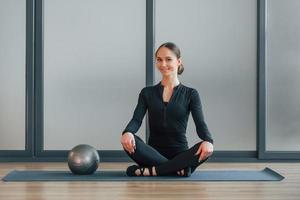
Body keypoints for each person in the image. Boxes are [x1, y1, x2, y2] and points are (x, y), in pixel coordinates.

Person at [120, 42, 214, 177]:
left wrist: (208, 141)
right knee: (129, 139)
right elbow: (136, 120)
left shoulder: (191, 94)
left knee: (205, 147)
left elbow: (201, 124)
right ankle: (178, 168)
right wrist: (128, 132)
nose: (163, 64)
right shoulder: (147, 93)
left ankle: (153, 170)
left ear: (179, 61)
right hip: (151, 153)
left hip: (181, 153)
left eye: (168, 59)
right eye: (159, 60)